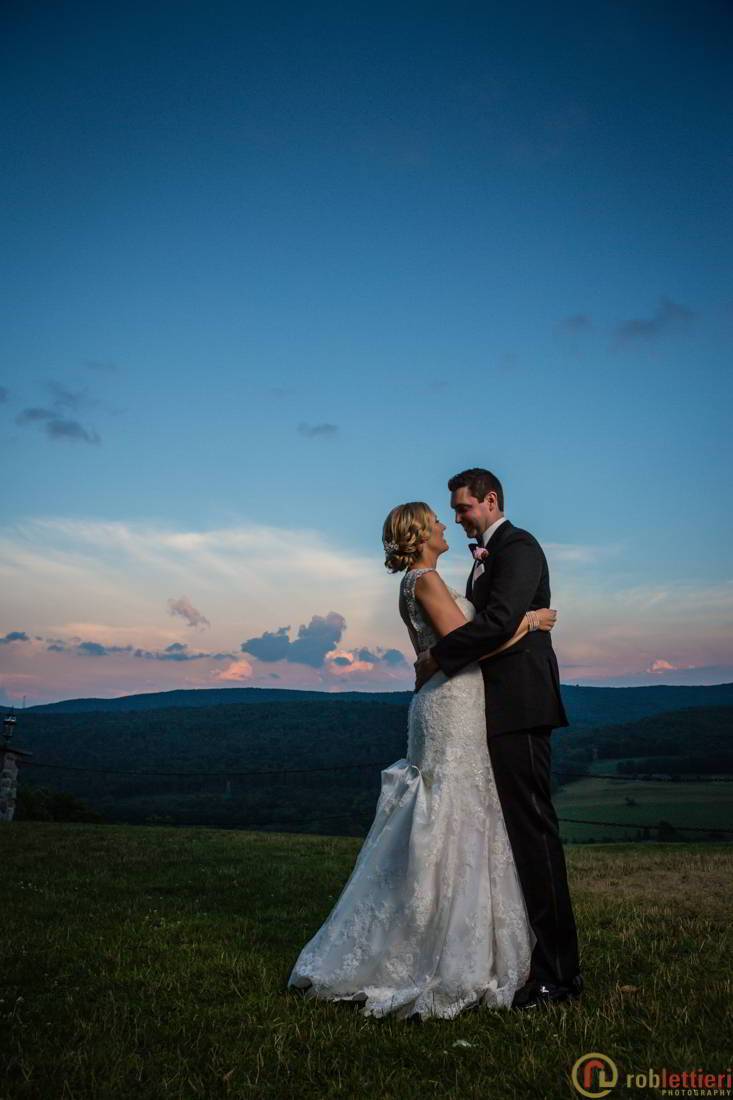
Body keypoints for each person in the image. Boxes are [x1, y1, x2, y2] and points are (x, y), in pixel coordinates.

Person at [287, 500, 557, 1021]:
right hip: (452, 704)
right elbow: (474, 646)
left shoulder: (419, 580)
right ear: (420, 533)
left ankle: (460, 939)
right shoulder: (426, 580)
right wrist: (532, 620)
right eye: (435, 519)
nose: (443, 524)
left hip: (452, 701)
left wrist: (440, 654)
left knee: (460, 816)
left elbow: (454, 645)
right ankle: (440, 950)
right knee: (452, 817)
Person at [414, 468, 582, 1009]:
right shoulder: (487, 555)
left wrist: (437, 657)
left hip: (521, 707)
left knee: (535, 836)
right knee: (513, 839)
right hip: (490, 707)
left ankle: (560, 975)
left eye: (463, 508)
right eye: (455, 511)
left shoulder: (519, 546)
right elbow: (498, 622)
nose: (459, 518)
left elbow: (497, 622)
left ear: (490, 501)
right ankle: (526, 958)